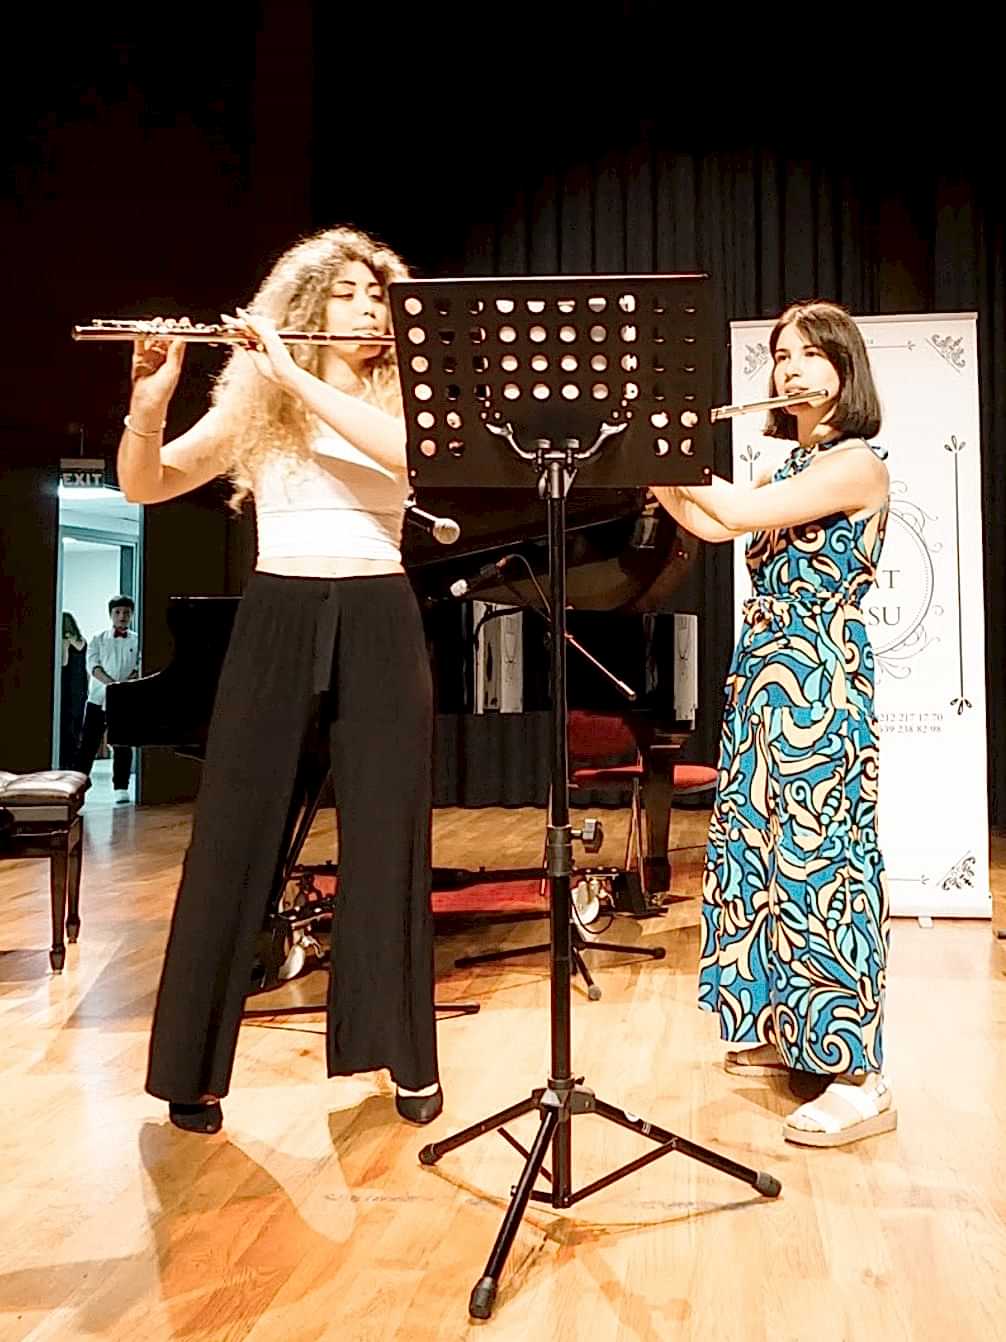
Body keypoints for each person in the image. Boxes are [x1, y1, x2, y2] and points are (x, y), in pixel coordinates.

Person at [117, 226, 440, 1134]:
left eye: (378, 298)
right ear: (304, 305)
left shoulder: (402, 396)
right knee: (232, 833)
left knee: (388, 836)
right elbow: (146, 484)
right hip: (278, 609)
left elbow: (406, 457)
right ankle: (190, 1071)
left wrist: (294, 374)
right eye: (348, 295)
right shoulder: (257, 404)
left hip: (378, 608)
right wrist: (149, 404)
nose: (369, 312)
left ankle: (402, 1054)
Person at [652, 301, 895, 1148]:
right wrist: (654, 468)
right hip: (763, 679)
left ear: (845, 370)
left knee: (824, 865)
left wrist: (663, 444)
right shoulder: (793, 463)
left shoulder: (856, 465)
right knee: (761, 856)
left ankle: (861, 1077)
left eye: (811, 354)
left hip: (820, 682)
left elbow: (741, 514)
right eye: (782, 354)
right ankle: (793, 1028)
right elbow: (709, 523)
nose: (790, 368)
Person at [77, 596, 139, 802]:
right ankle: (79, 784)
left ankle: (121, 787)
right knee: (89, 743)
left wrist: (124, 686)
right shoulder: (98, 639)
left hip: (125, 700)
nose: (122, 616)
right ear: (110, 615)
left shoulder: (137, 639)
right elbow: (93, 666)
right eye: (118, 612)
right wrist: (112, 685)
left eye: (127, 612)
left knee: (123, 743)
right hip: (98, 699)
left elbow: (139, 666)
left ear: (132, 615)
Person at [59, 612, 87, 769]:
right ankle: (74, 761)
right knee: (76, 724)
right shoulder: (82, 641)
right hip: (80, 687)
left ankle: (65, 761)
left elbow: (64, 662)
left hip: (67, 687)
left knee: (65, 723)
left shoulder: (65, 641)